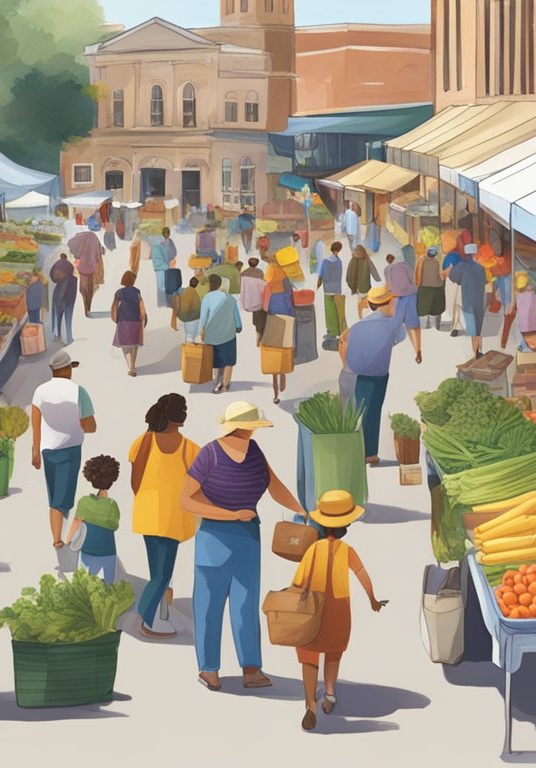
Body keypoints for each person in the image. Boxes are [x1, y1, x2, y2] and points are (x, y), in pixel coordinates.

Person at [181, 401, 306, 692]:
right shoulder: (209, 453)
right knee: (209, 606)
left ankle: (251, 668)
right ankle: (209, 669)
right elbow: (186, 500)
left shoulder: (254, 452)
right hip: (214, 537)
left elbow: (275, 486)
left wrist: (302, 510)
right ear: (242, 426)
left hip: (248, 539)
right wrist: (231, 514)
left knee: (246, 606)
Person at [294, 490, 384, 732]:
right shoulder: (347, 551)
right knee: (334, 651)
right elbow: (362, 574)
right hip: (339, 607)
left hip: (313, 605)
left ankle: (310, 703)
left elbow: (299, 579)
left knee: (309, 655)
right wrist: (372, 599)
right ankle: (330, 694)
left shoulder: (313, 549)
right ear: (346, 525)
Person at [129, 394, 199, 639]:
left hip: (147, 513)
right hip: (171, 517)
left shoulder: (143, 440)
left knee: (156, 572)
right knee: (163, 574)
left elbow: (134, 482)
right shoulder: (189, 448)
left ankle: (160, 612)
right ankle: (147, 619)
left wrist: (148, 498)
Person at [31, 351, 97, 549]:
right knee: (63, 497)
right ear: (68, 369)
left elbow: (35, 423)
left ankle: (58, 532)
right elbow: (91, 425)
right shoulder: (79, 392)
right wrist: (78, 423)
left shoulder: (40, 391)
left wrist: (35, 450)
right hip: (70, 448)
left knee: (54, 493)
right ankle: (57, 539)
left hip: (48, 449)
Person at [340, 286, 405, 466]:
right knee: (371, 411)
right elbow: (398, 338)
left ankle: (365, 453)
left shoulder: (359, 325)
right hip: (378, 374)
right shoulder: (393, 325)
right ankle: (367, 453)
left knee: (363, 411)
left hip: (359, 372)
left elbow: (343, 339)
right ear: (388, 303)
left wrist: (346, 364)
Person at [65, 455, 122, 585]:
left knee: (83, 584)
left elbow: (76, 523)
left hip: (87, 550)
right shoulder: (112, 505)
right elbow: (114, 525)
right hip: (108, 551)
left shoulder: (84, 502)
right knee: (109, 585)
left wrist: (68, 542)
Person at [199, 274, 242, 395]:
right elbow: (237, 319)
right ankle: (226, 383)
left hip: (212, 334)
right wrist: (238, 327)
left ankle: (217, 381)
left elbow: (203, 317)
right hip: (228, 334)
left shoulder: (207, 298)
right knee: (228, 360)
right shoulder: (231, 300)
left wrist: (202, 331)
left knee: (216, 360)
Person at [262, 252, 296, 404]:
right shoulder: (285, 278)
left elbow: (264, 303)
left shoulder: (268, 278)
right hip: (286, 317)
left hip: (272, 317)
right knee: (284, 350)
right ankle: (283, 377)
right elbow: (290, 299)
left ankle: (275, 393)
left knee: (272, 352)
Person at [449, 244, 488, 358]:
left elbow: (452, 277)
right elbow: (485, 281)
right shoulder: (481, 268)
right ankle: (480, 350)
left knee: (472, 329)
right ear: (475, 253)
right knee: (479, 328)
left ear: (465, 254)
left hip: (468, 301)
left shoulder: (461, 266)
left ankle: (475, 353)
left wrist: (462, 281)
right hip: (479, 302)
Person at [384, 253, 422, 364]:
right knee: (413, 322)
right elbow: (411, 279)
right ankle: (418, 350)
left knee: (398, 321)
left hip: (398, 297)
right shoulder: (405, 265)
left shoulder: (387, 270)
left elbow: (388, 287)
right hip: (411, 294)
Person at [111, 271, 147, 377]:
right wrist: (143, 317)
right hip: (135, 320)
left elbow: (114, 306)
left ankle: (128, 364)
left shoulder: (119, 292)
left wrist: (115, 318)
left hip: (123, 320)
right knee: (134, 344)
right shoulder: (137, 292)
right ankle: (132, 366)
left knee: (124, 342)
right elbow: (142, 306)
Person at [69, 228, 105, 317]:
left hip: (83, 267)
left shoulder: (80, 238)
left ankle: (86, 308)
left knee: (83, 288)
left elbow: (70, 244)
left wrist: (77, 254)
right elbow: (102, 250)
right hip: (92, 267)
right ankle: (88, 308)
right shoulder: (93, 237)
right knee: (89, 289)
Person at [317, 241, 347, 346]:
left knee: (329, 311)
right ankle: (339, 331)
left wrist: (319, 285)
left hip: (328, 289)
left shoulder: (326, 261)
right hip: (337, 289)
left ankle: (331, 331)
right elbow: (340, 275)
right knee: (337, 310)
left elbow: (323, 275)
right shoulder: (339, 262)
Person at [416, 245, 447, 332]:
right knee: (436, 309)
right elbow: (439, 276)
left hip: (424, 287)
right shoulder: (436, 262)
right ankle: (435, 327)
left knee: (423, 308)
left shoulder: (422, 261)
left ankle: (424, 327)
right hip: (437, 288)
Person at [345, 246, 380, 319]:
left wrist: (350, 283)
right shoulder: (366, 258)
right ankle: (366, 317)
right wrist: (378, 280)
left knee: (360, 303)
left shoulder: (353, 259)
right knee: (366, 303)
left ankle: (361, 318)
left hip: (358, 287)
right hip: (366, 286)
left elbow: (350, 272)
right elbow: (373, 270)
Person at [49, 253, 78, 344]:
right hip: (70, 297)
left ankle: (57, 334)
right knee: (68, 317)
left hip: (60, 296)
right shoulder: (72, 275)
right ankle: (68, 337)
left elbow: (52, 277)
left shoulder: (56, 265)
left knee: (57, 315)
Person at [239, 257, 267, 343]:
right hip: (257, 303)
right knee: (262, 310)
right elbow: (263, 288)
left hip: (246, 303)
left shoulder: (243, 274)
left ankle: (258, 331)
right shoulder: (259, 273)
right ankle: (260, 333)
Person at [441, 242, 466, 337]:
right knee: (457, 305)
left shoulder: (449, 257)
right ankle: (455, 327)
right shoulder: (459, 257)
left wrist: (443, 274)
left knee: (451, 303)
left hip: (451, 281)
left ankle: (453, 326)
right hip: (460, 281)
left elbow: (448, 269)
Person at [151, 228, 176, 310]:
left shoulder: (170, 242)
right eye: (165, 233)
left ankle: (168, 304)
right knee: (161, 286)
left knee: (168, 286)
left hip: (168, 268)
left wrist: (171, 261)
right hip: (161, 269)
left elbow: (174, 252)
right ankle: (162, 305)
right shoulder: (158, 245)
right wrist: (167, 265)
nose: (167, 235)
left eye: (168, 233)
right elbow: (156, 259)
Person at [174, 276, 203, 343]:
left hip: (181, 316)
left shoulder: (183, 290)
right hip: (192, 318)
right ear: (197, 285)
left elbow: (177, 293)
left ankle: (188, 347)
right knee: (191, 336)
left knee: (188, 335)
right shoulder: (195, 293)